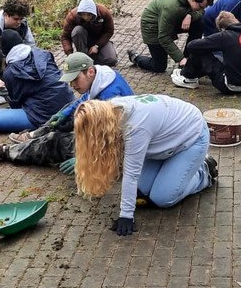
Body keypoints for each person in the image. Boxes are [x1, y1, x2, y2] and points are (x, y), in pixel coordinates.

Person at [74, 96, 218, 236]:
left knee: (162, 198)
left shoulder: (135, 127)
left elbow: (131, 173)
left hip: (192, 137)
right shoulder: (110, 110)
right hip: (164, 143)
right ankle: (174, 167)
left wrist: (126, 215)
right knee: (144, 189)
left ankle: (204, 171)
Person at [0, 52, 133, 168]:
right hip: (100, 127)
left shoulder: (112, 99)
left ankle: (5, 152)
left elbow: (110, 138)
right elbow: (83, 101)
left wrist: (84, 157)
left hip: (116, 146)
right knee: (66, 114)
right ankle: (33, 136)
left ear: (89, 72)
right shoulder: (100, 78)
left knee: (54, 142)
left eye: (75, 79)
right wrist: (63, 114)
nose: (73, 86)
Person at [0, 29, 74, 133]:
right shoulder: (43, 53)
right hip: (69, 105)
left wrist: (4, 93)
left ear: (4, 50)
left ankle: (43, 125)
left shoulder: (10, 72)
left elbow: (16, 104)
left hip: (43, 116)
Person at [127, 0, 214, 73]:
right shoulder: (172, 6)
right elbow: (164, 37)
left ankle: (189, 58)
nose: (202, 9)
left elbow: (201, 12)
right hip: (152, 27)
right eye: (201, 6)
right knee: (159, 66)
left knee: (199, 23)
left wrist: (190, 15)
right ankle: (135, 57)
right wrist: (180, 59)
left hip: (171, 20)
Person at [171, 11, 241, 94]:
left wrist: (209, 44)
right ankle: (194, 74)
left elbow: (191, 46)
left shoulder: (225, 36)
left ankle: (188, 77)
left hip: (227, 85)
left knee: (199, 50)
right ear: (236, 20)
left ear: (223, 29)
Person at [60, 0, 118, 66]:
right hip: (83, 40)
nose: (86, 17)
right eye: (83, 14)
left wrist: (97, 46)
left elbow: (109, 31)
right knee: (77, 30)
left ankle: (88, 60)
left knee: (112, 60)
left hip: (100, 41)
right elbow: (65, 37)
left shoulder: (104, 12)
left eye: (89, 15)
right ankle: (84, 58)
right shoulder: (72, 16)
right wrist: (69, 54)